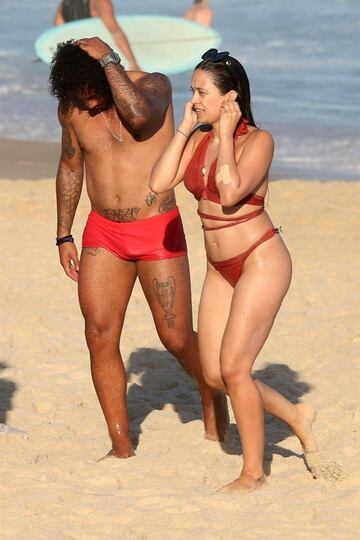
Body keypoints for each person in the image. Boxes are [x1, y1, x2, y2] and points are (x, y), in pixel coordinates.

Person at [49, 39, 229, 459]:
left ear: (106, 73)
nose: (85, 102)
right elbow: (70, 165)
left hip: (156, 230)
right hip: (103, 234)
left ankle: (210, 388)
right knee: (98, 335)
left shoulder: (153, 87)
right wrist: (63, 234)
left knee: (175, 335)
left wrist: (109, 58)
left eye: (90, 90)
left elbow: (138, 117)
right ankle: (120, 446)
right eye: (76, 94)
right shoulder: (73, 104)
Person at [150, 48, 319, 490]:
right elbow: (158, 182)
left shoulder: (258, 141)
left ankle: (253, 473)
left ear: (231, 97)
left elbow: (229, 194)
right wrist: (187, 126)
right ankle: (297, 415)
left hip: (261, 260)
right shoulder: (198, 136)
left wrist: (225, 132)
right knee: (212, 373)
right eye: (191, 92)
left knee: (235, 368)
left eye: (201, 93)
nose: (194, 100)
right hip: (220, 267)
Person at [54, 0, 139, 70]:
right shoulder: (101, 2)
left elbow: (59, 33)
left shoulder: (64, 4)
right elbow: (115, 32)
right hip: (97, 60)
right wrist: (132, 62)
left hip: (76, 61)